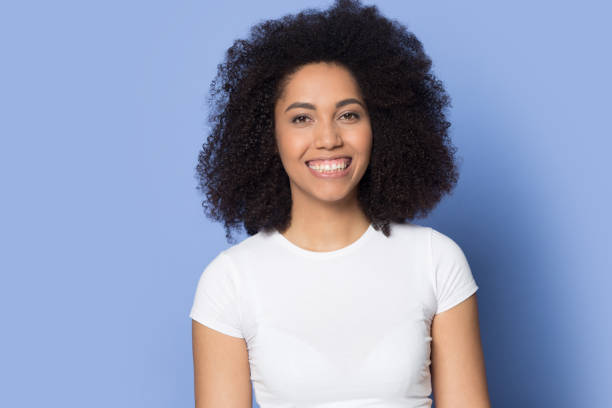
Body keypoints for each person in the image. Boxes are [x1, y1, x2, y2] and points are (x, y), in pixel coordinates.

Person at [189, 0, 491, 406]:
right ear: (267, 135)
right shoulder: (230, 282)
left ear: (380, 125)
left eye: (348, 115)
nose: (328, 138)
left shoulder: (436, 261)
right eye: (301, 118)